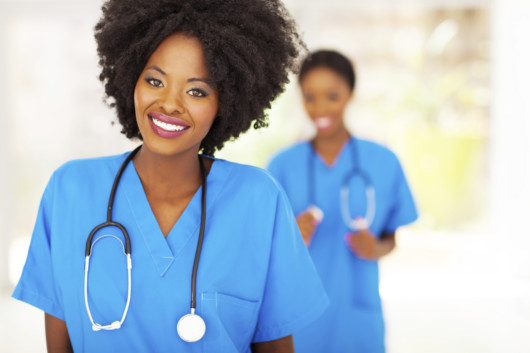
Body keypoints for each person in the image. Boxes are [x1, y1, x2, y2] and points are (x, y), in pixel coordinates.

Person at [12, 1, 329, 352]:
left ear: (225, 101)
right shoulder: (70, 191)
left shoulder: (258, 200)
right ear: (132, 79)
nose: (169, 104)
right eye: (154, 80)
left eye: (197, 91)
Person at [267, 50, 418, 353]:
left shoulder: (383, 161)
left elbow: (391, 237)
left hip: (357, 315)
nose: (320, 107)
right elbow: (262, 247)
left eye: (332, 95)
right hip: (300, 318)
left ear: (350, 94)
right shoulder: (282, 165)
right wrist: (289, 236)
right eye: (310, 97)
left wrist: (375, 248)